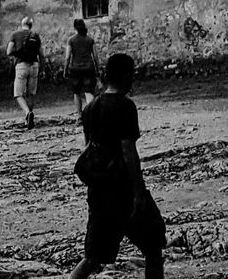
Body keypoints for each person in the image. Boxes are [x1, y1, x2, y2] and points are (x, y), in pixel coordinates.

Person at [68, 52, 165, 279]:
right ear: (124, 75)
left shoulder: (90, 108)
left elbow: (89, 148)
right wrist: (139, 192)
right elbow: (128, 151)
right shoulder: (125, 106)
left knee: (93, 257)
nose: (133, 80)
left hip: (99, 192)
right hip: (123, 190)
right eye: (131, 75)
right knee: (153, 246)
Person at [6, 15, 44, 129]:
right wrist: (42, 70)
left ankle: (28, 113)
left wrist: (17, 54)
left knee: (18, 93)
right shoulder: (36, 36)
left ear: (21, 25)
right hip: (34, 65)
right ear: (31, 25)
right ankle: (29, 119)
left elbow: (8, 52)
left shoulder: (15, 35)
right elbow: (42, 55)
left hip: (21, 65)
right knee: (31, 93)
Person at [64, 19, 100, 120]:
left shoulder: (71, 40)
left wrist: (65, 69)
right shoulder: (90, 40)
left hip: (75, 69)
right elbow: (95, 57)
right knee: (89, 91)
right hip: (89, 68)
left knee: (76, 92)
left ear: (74, 27)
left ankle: (80, 115)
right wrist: (98, 69)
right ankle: (92, 114)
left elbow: (67, 57)